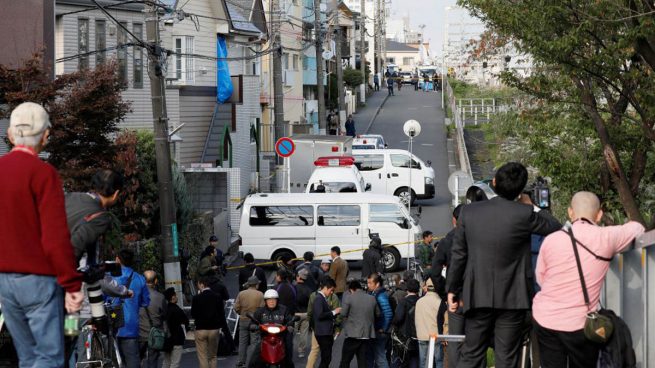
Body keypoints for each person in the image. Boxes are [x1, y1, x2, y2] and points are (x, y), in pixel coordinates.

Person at [446, 162, 562, 368]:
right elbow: (554, 226)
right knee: (506, 357)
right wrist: (531, 204)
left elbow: (458, 255)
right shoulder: (524, 215)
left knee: (471, 354)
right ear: (520, 191)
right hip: (513, 298)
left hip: (477, 294)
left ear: (494, 183)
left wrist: (452, 289)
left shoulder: (469, 213)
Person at [0, 102, 83, 367]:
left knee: (27, 358)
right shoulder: (44, 174)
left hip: (4, 281)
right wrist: (71, 285)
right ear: (45, 136)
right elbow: (55, 238)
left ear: (11, 135)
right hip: (38, 280)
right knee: (48, 358)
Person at [532, 192, 644, 368]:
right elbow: (637, 227)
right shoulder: (606, 237)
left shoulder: (551, 240)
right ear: (599, 214)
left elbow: (541, 277)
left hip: (545, 318)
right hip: (580, 323)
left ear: (570, 212)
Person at [65, 169, 123, 266]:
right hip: (51, 271)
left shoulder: (71, 196)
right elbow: (75, 247)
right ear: (116, 194)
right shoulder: (101, 217)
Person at [431, 204, 463, 368]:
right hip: (478, 297)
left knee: (455, 343)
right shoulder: (479, 238)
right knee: (477, 343)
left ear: (453, 220)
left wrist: (445, 293)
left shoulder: (446, 242)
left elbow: (435, 272)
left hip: (455, 299)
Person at [111, 248, 150, 368]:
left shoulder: (110, 278)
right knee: (132, 361)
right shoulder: (139, 278)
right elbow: (145, 302)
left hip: (112, 323)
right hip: (131, 326)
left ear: (118, 259)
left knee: (113, 362)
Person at [340, 279, 379, 368]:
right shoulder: (372, 298)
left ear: (351, 289)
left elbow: (343, 314)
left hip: (352, 335)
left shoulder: (349, 298)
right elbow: (378, 314)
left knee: (345, 361)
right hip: (366, 335)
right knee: (362, 362)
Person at [251, 289, 295, 368]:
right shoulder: (260, 311)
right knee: (253, 360)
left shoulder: (283, 309)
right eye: (269, 299)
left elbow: (290, 320)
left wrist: (291, 325)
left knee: (288, 357)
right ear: (265, 301)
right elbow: (253, 322)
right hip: (265, 338)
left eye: (273, 299)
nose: (271, 301)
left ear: (277, 300)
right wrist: (253, 326)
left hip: (281, 337)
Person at [306, 277, 342, 368]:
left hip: (323, 332)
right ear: (326, 287)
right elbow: (319, 315)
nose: (332, 292)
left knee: (326, 357)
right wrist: (334, 312)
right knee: (326, 358)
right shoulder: (319, 298)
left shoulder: (320, 297)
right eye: (331, 290)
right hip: (323, 333)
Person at [191, 276, 224, 368]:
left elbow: (193, 314)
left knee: (203, 356)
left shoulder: (196, 298)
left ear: (202, 284)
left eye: (198, 284)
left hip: (201, 329)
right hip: (214, 329)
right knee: (213, 356)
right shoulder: (217, 296)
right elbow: (221, 313)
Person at [234, 276, 264, 368]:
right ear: (256, 284)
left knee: (242, 341)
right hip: (254, 321)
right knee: (254, 341)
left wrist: (241, 313)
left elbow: (236, 307)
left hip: (243, 320)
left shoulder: (241, 293)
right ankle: (252, 360)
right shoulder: (260, 294)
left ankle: (241, 360)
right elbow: (262, 308)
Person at [139, 270, 167, 368]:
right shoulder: (160, 297)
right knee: (153, 361)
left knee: (137, 360)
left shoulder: (136, 295)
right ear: (155, 281)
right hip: (155, 334)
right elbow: (165, 315)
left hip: (139, 333)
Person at [392, 278, 421, 368]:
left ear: (407, 289)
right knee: (415, 359)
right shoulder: (421, 301)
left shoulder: (403, 302)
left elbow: (398, 318)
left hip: (404, 337)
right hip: (418, 335)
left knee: (401, 359)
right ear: (418, 289)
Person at [415, 278, 444, 368]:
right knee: (439, 360)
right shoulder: (439, 302)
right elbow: (442, 320)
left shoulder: (419, 301)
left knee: (423, 361)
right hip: (435, 336)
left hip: (421, 335)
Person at [367, 273, 393, 368]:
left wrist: (383, 328)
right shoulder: (375, 294)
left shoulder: (380, 295)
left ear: (377, 284)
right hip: (376, 330)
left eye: (370, 283)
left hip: (380, 331)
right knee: (372, 356)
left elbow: (388, 313)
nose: (368, 285)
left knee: (380, 358)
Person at [163, 287, 189, 368]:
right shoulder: (177, 310)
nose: (177, 297)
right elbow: (186, 321)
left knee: (166, 362)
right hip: (177, 339)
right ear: (173, 297)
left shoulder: (164, 310)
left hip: (166, 339)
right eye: (175, 295)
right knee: (175, 363)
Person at [295, 269, 313, 358]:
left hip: (295, 314)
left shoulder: (293, 287)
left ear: (299, 277)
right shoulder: (309, 289)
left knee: (291, 333)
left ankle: (288, 349)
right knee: (304, 333)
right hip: (305, 313)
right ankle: (301, 351)